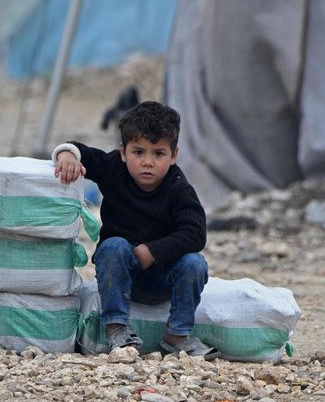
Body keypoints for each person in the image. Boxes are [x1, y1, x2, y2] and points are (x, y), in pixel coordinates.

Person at [52, 101, 220, 359]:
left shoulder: (178, 187)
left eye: (159, 153)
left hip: (162, 279)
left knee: (195, 263)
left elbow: (196, 233)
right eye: (138, 152)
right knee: (114, 245)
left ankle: (177, 336)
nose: (147, 162)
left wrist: (152, 251)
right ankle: (117, 329)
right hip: (119, 273)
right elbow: (80, 150)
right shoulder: (114, 168)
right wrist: (67, 156)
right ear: (123, 152)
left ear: (174, 155)